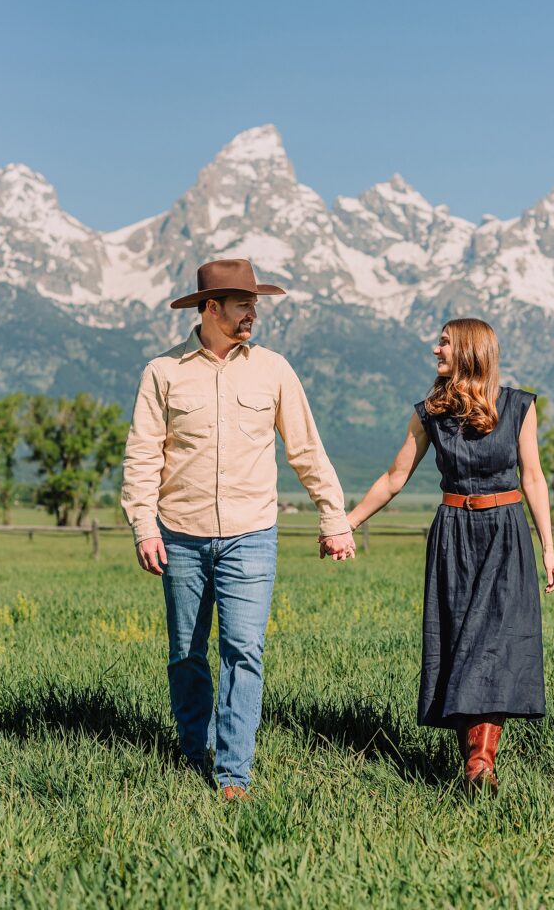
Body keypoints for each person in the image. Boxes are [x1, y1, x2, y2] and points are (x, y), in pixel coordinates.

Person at [121, 258, 355, 801]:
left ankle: (233, 776)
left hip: (252, 534)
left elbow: (306, 449)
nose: (253, 313)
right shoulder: (163, 372)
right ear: (210, 307)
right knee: (186, 651)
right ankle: (191, 751)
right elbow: (141, 458)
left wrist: (333, 516)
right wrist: (143, 525)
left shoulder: (273, 369)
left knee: (244, 650)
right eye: (243, 304)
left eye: (255, 303)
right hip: (179, 533)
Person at [344, 317, 554, 793]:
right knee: (460, 641)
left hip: (506, 534)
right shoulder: (429, 413)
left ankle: (480, 761)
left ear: (468, 350)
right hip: (453, 534)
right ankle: (477, 761)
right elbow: (394, 477)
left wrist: (548, 548)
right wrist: (348, 522)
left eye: (443, 342)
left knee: (496, 643)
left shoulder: (518, 406)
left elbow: (534, 478)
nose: (435, 349)